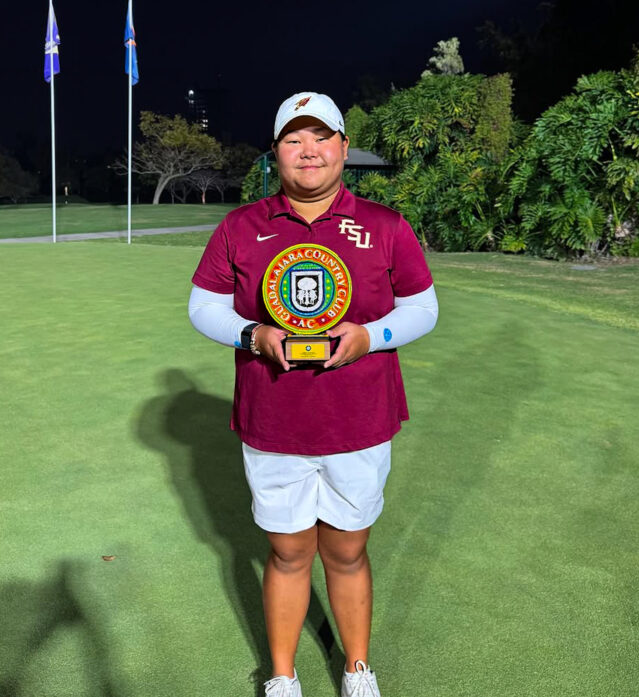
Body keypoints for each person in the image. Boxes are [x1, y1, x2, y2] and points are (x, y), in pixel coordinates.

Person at [188, 92, 438, 697]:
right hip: (274, 422)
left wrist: (370, 337)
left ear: (344, 148)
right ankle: (282, 676)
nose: (309, 151)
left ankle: (356, 669)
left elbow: (422, 308)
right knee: (287, 553)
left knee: (348, 553)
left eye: (321, 137)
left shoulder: (385, 225)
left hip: (360, 420)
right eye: (294, 139)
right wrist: (252, 334)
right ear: (275, 153)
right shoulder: (240, 226)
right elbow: (204, 306)